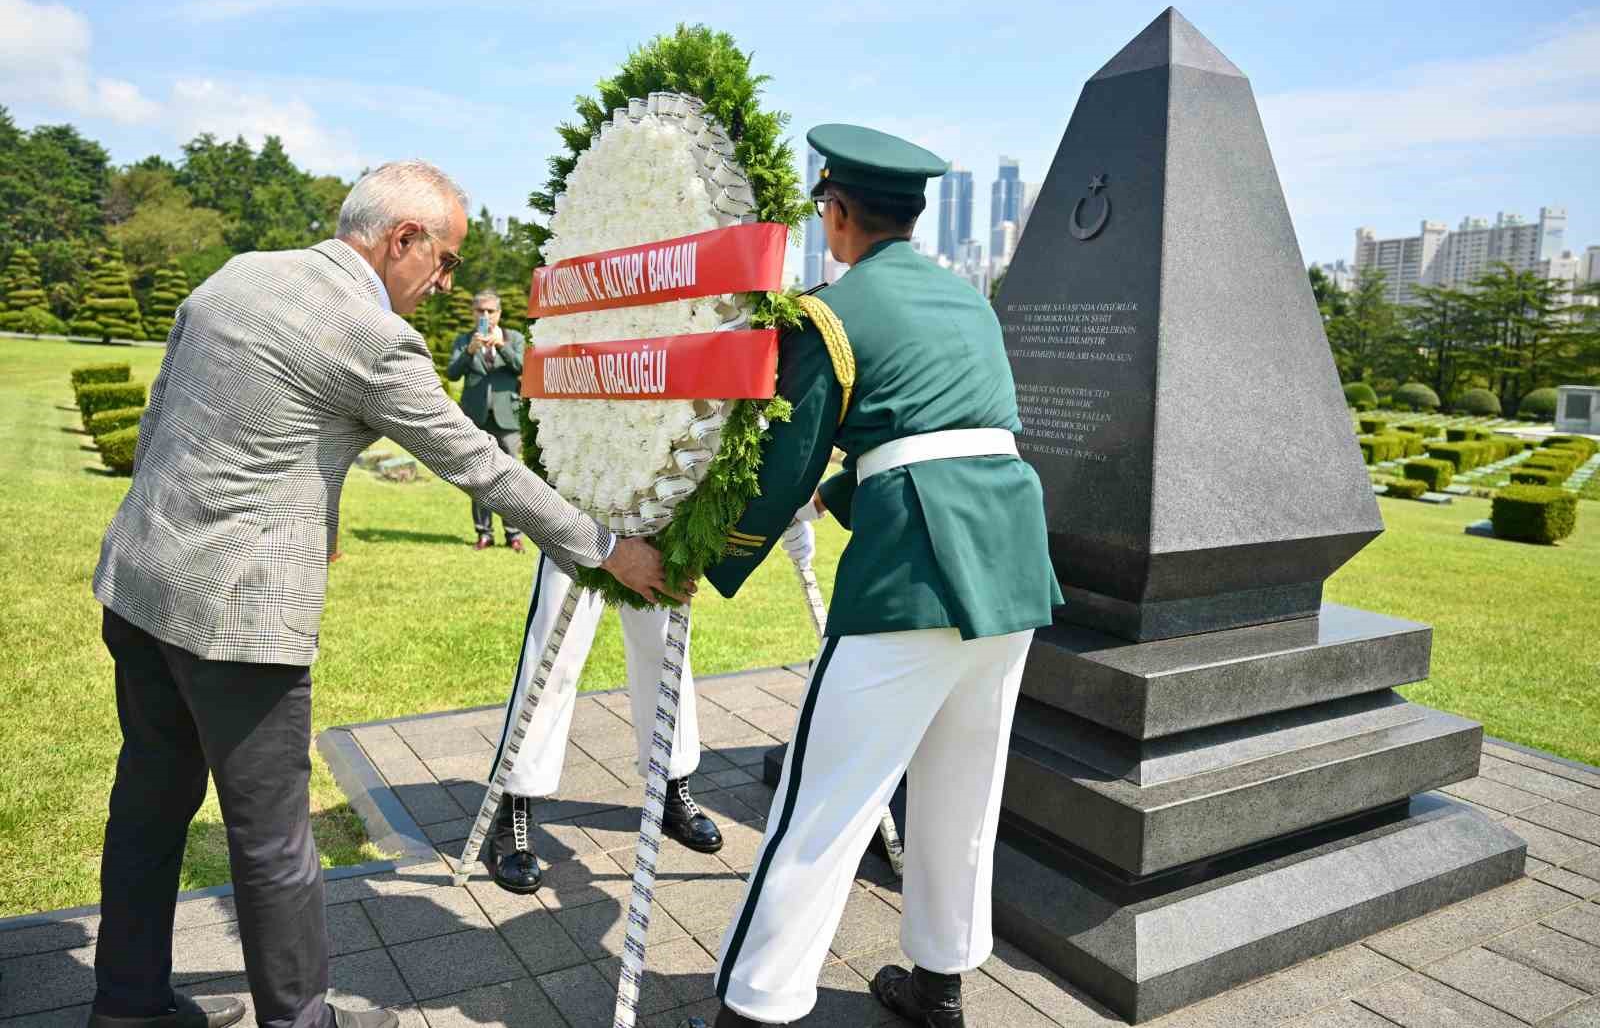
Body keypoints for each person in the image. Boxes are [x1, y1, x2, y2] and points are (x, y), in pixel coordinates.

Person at [89, 161, 676, 1028]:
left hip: (140, 582)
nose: (443, 286)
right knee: (274, 843)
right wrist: (606, 548)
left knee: (148, 800)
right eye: (442, 263)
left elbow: (168, 415)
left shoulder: (239, 273)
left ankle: (126, 1008)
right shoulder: (371, 335)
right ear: (401, 239)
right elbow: (477, 461)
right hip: (239, 620)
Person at [680, 126, 1061, 1028]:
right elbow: (946, 434)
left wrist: (704, 553)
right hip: (1009, 569)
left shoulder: (833, 313)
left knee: (823, 804)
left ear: (837, 212)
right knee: (965, 789)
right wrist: (839, 500)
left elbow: (784, 459)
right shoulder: (970, 301)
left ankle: (754, 1009)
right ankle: (939, 989)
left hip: (911, 579)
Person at [482, 553, 724, 895]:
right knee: (554, 655)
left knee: (664, 647)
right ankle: (513, 810)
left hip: (656, 514)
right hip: (576, 514)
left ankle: (671, 788)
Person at [446, 290, 528, 551]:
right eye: (480, 311)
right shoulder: (464, 340)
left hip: (508, 420)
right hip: (476, 418)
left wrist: (500, 346)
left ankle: (514, 534)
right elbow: (453, 373)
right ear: (473, 313)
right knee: (478, 477)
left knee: (511, 478)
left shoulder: (513, 338)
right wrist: (469, 351)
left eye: (490, 311)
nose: (485, 315)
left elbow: (525, 367)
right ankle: (484, 534)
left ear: (499, 313)